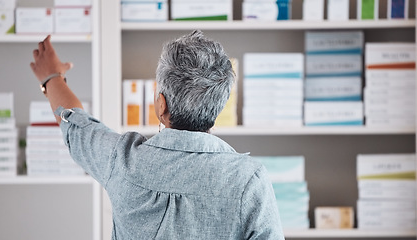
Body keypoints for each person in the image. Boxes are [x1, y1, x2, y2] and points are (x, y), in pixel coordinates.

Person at [30, 30, 285, 240]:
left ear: (160, 105)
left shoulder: (122, 161)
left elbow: (76, 125)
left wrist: (51, 77)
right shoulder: (249, 180)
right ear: (218, 106)